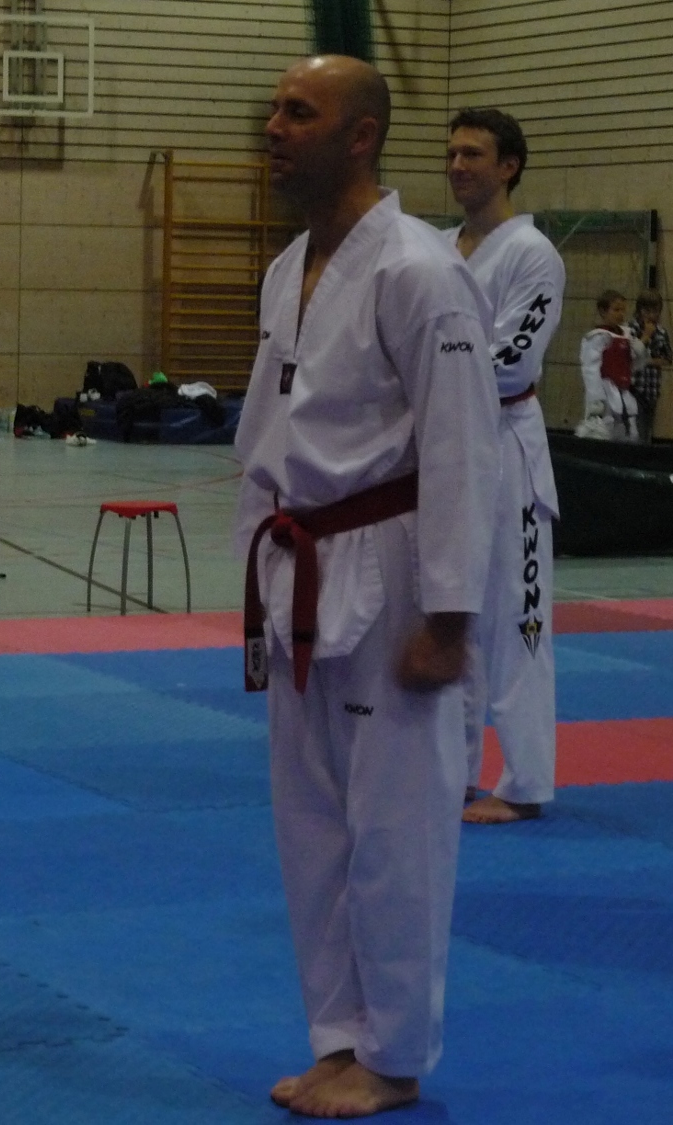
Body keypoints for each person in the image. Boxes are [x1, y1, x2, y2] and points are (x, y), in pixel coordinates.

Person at [235, 56, 498, 1117]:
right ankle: (338, 1038)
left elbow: (464, 449)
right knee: (313, 826)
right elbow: (267, 440)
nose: (273, 126)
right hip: (299, 568)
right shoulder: (287, 267)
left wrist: (450, 619)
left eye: (298, 112)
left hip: (392, 572)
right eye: (274, 107)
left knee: (397, 830)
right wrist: (253, 580)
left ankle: (394, 1054)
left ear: (361, 136)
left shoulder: (421, 270)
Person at [441, 108, 566, 827]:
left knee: (519, 618)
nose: (458, 166)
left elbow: (514, 358)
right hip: (443, 450)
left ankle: (525, 782)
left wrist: (430, 384)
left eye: (473, 154)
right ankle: (453, 768)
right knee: (449, 609)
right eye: (452, 153)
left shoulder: (532, 253)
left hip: (506, 447)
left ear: (509, 166)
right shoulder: (436, 248)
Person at [576, 290, 642, 441]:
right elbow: (590, 370)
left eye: (623, 310)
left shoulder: (627, 335)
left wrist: (640, 351)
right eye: (616, 310)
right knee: (603, 432)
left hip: (624, 392)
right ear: (603, 311)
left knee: (630, 433)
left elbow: (633, 365)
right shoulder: (597, 337)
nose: (620, 314)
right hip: (605, 392)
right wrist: (595, 400)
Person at [631, 288, 669, 439]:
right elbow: (631, 355)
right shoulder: (632, 328)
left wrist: (648, 361)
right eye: (647, 311)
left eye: (655, 311)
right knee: (636, 430)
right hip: (635, 388)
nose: (651, 315)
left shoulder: (661, 332)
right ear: (639, 310)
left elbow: (667, 358)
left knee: (646, 431)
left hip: (652, 389)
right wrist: (646, 335)